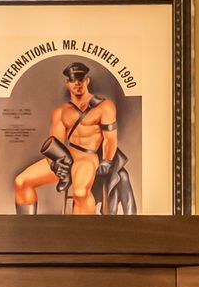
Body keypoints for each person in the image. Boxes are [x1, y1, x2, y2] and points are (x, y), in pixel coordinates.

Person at [13, 59, 121, 216]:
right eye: (73, 80)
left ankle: (83, 231)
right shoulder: (60, 112)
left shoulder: (104, 107)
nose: (77, 83)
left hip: (87, 157)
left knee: (80, 193)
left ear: (87, 80)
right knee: (21, 182)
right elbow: (54, 144)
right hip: (66, 157)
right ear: (67, 83)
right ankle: (26, 228)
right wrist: (56, 163)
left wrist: (107, 161)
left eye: (81, 79)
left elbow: (110, 139)